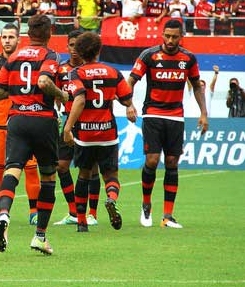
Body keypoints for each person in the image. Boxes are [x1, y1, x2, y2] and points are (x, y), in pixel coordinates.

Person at [0, 14, 69, 254]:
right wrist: (61, 95)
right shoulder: (50, 55)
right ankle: (40, 237)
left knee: (12, 169)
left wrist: (18, 93)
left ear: (28, 33)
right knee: (48, 178)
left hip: (16, 120)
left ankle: (3, 214)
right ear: (49, 33)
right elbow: (45, 82)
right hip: (43, 121)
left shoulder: (14, 57)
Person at [129, 19, 208, 229]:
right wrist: (128, 104)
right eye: (167, 36)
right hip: (152, 114)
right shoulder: (149, 55)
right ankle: (146, 204)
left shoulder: (188, 59)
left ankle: (168, 216)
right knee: (153, 161)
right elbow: (131, 80)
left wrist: (203, 113)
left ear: (181, 37)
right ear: (162, 34)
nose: (170, 40)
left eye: (174, 36)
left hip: (176, 116)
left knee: (172, 162)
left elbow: (197, 86)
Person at [62, 32, 137, 232]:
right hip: (107, 133)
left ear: (79, 52)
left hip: (85, 135)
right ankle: (111, 199)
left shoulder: (76, 73)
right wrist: (124, 102)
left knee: (84, 175)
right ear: (99, 50)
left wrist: (68, 127)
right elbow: (127, 99)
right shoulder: (113, 72)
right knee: (110, 175)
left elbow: (79, 99)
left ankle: (81, 222)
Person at [0, 24, 41, 226]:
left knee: (31, 168)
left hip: (24, 119)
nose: (7, 40)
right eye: (4, 37)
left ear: (19, 40)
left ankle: (34, 212)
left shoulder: (26, 61)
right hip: (0, 123)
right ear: (0, 39)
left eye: (11, 37)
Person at [53, 30, 100, 227]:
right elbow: (55, 93)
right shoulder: (61, 70)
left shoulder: (91, 71)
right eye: (71, 45)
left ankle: (92, 214)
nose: (74, 50)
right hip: (67, 121)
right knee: (61, 166)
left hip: (90, 121)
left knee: (91, 168)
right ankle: (73, 211)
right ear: (67, 46)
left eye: (77, 46)